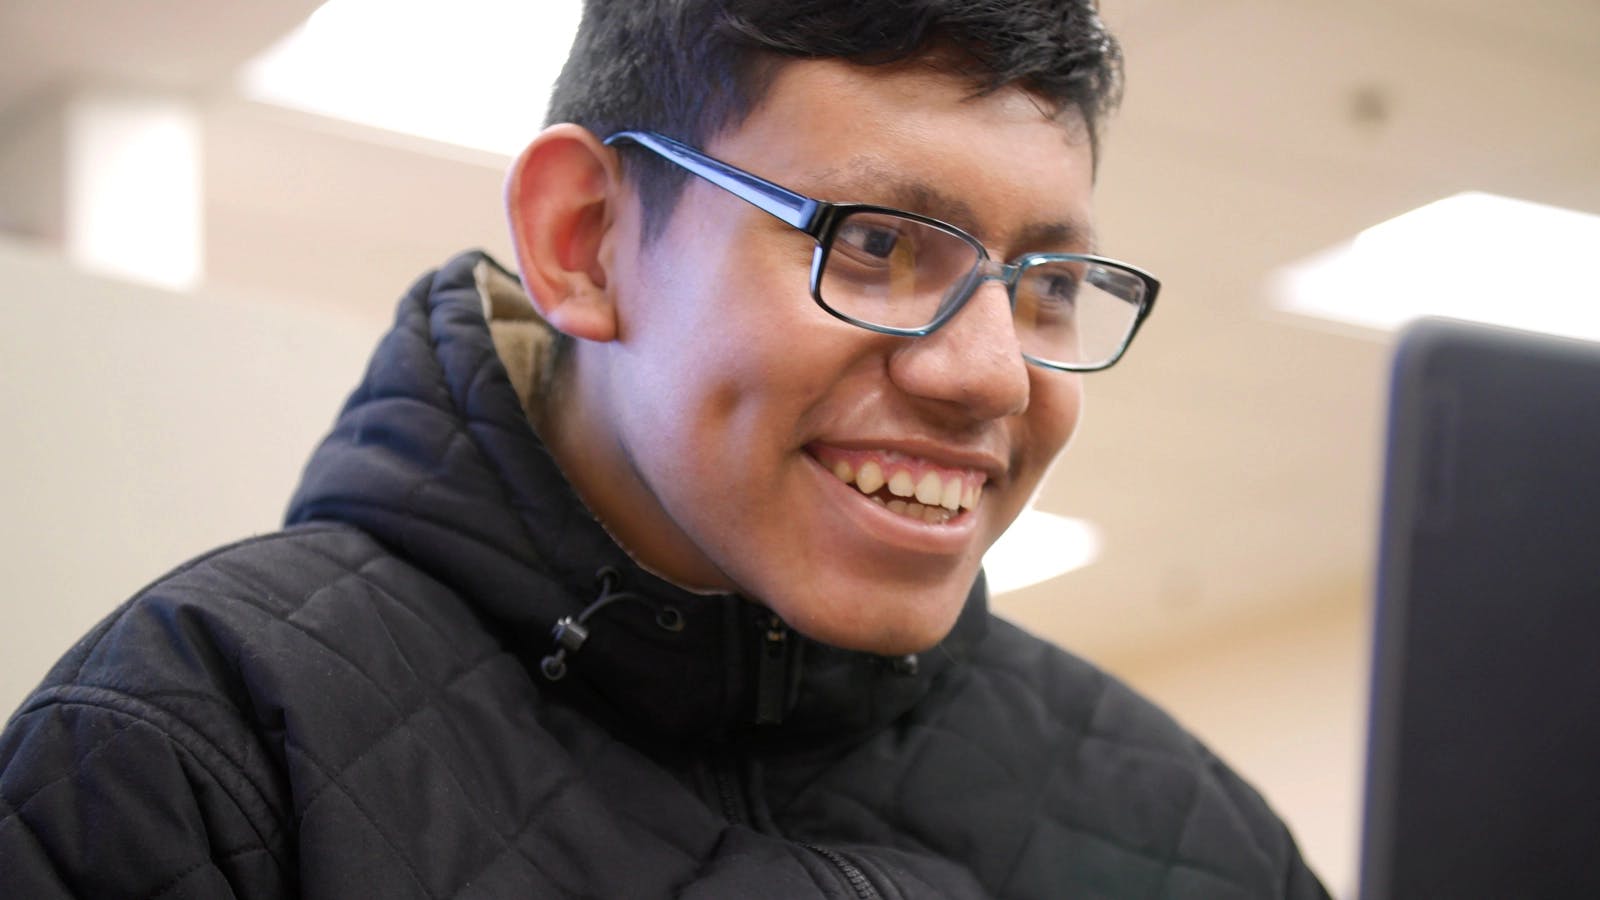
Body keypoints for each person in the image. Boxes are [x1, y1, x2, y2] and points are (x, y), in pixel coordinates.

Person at [0, 1, 1331, 897]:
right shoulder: (199, 743)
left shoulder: (1199, 841)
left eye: (1043, 281)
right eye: (870, 244)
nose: (989, 372)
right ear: (586, 239)